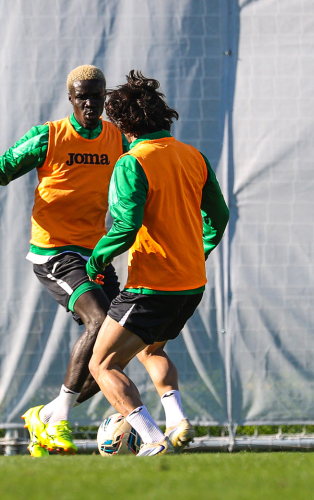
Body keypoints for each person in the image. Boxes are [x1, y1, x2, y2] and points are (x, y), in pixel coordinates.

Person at [0, 65, 125, 456]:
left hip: (95, 254)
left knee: (117, 347)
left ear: (105, 97)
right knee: (99, 320)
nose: (90, 104)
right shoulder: (49, 136)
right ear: (70, 99)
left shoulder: (118, 139)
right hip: (55, 252)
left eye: (97, 96)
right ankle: (58, 421)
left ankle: (46, 415)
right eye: (82, 97)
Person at [86, 71, 229, 455]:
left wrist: (97, 260)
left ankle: (152, 439)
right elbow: (219, 215)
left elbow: (125, 226)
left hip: (152, 288)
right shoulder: (193, 156)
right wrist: (199, 250)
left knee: (102, 365)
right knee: (150, 350)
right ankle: (177, 420)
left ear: (124, 125)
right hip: (191, 286)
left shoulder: (132, 162)